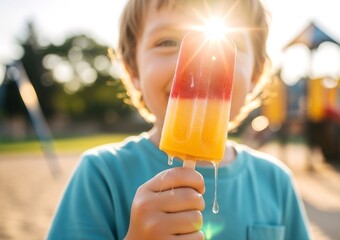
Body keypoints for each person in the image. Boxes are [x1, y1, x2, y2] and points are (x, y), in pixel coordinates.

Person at [47, 0, 311, 239]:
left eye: (228, 43)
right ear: (132, 70)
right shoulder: (101, 175)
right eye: (167, 42)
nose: (198, 61)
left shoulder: (277, 183)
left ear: (256, 74)